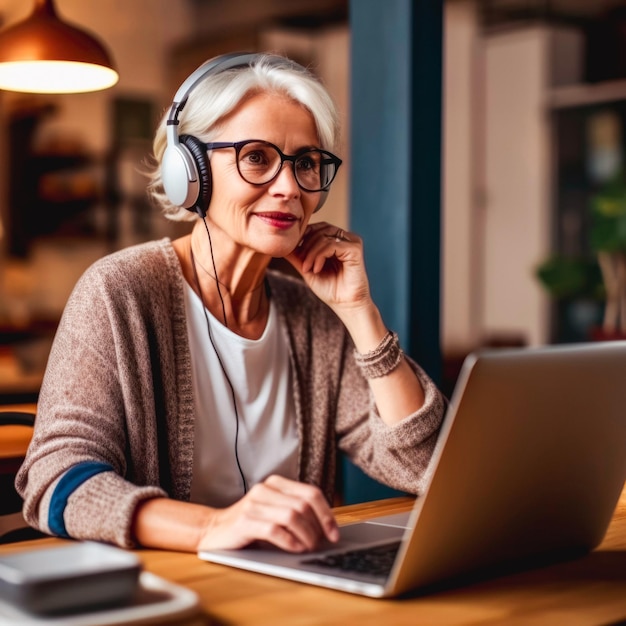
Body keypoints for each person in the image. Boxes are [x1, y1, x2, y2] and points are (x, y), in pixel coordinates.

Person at [16, 52, 446, 554]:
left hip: (284, 591)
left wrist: (359, 314)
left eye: (305, 163)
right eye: (257, 157)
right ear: (190, 172)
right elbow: (54, 481)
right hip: (162, 592)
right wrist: (212, 528)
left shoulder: (309, 316)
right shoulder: (121, 292)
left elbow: (425, 466)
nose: (288, 188)